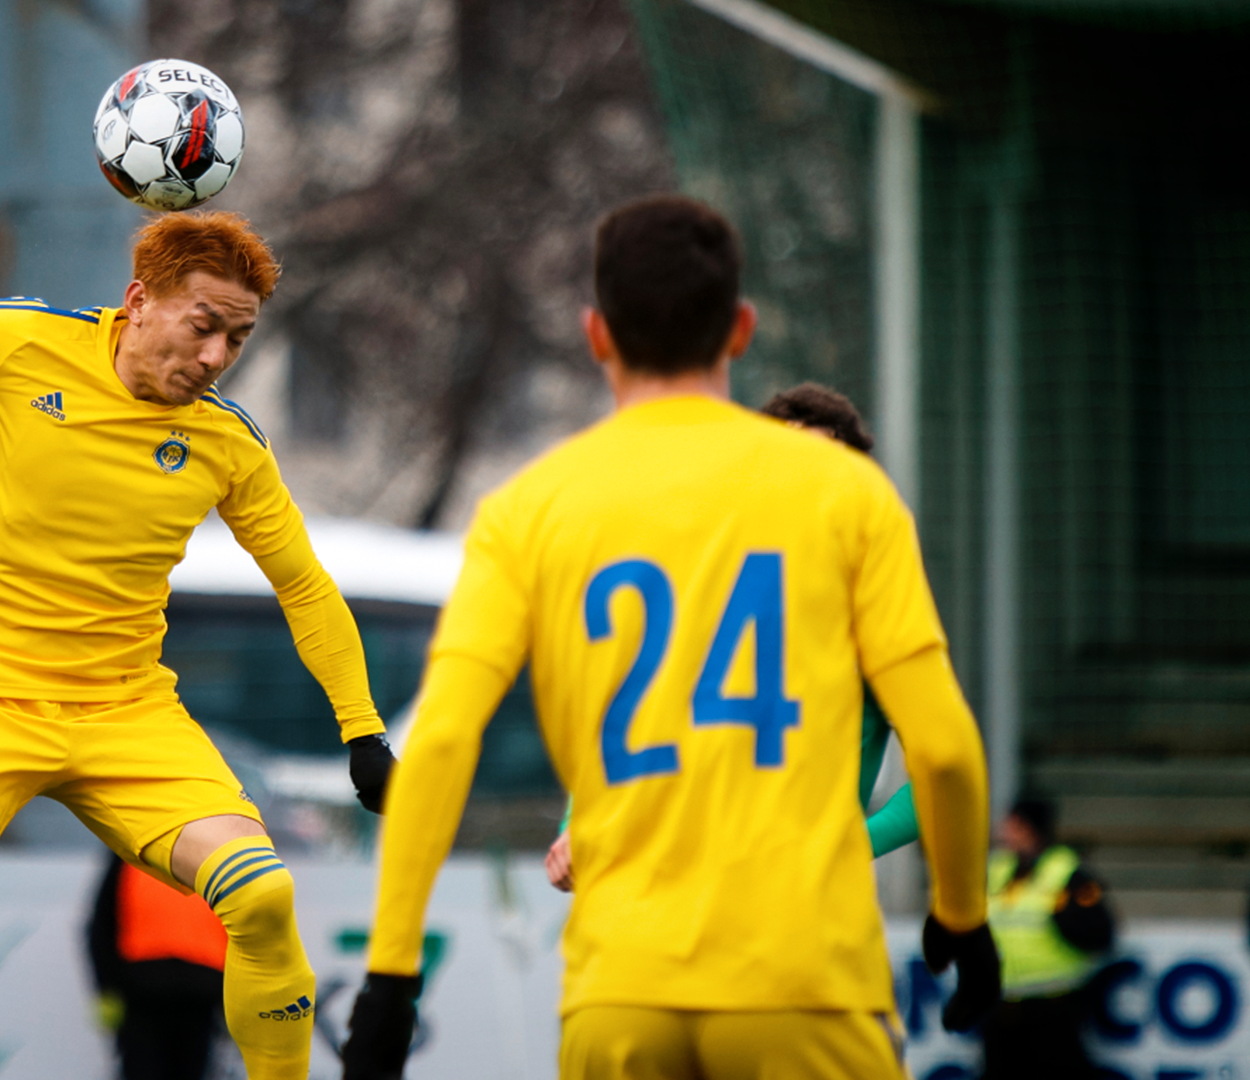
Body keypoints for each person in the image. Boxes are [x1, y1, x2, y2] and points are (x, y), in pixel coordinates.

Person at [340, 195, 999, 1080]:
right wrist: (962, 915)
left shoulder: (528, 509)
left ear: (596, 335)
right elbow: (947, 753)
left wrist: (391, 975)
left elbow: (444, 743)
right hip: (805, 982)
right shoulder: (850, 497)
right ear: (740, 328)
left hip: (622, 990)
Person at [0, 210, 396, 1080]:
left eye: (238, 337)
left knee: (263, 894)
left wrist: (362, 729)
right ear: (139, 302)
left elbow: (304, 585)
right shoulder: (20, 343)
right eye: (204, 327)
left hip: (126, 712)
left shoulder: (229, 444)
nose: (219, 356)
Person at [542, 381, 922, 891]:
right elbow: (630, 726)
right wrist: (576, 831)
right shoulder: (705, 590)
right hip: (676, 905)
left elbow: (945, 770)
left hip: (800, 917)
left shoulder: (870, 609)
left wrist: (854, 845)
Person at [981, 797, 1115, 1080]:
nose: (1004, 831)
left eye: (1012, 824)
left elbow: (1100, 933)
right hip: (1003, 1004)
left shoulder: (1067, 873)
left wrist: (1065, 917)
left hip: (1053, 1004)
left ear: (1029, 828)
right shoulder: (998, 869)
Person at [88, 855, 230, 1080]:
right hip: (194, 989)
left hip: (147, 988)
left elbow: (101, 926)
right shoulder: (218, 856)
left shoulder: (131, 851)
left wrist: (107, 987)